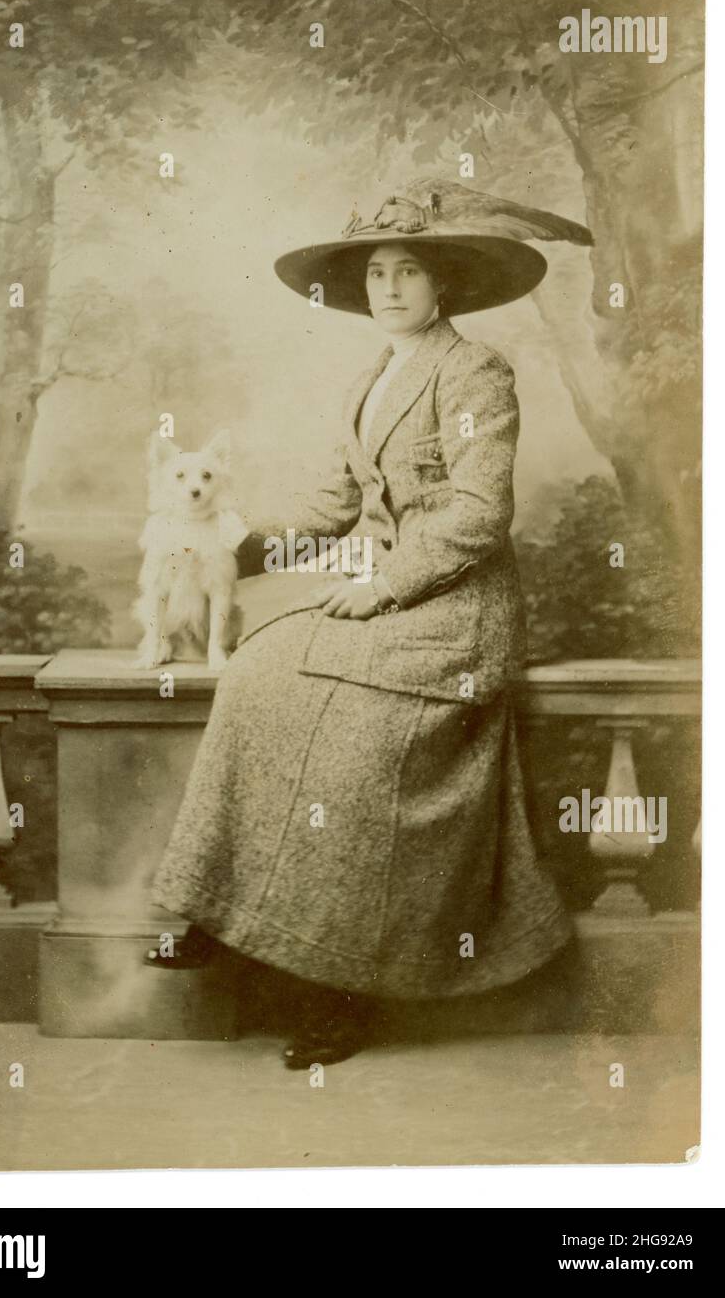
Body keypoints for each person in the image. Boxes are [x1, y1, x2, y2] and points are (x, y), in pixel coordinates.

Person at [146, 179, 589, 1069]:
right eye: (377, 273)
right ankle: (217, 913)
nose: (388, 288)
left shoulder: (473, 371)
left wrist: (385, 587)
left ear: (442, 286)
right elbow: (332, 501)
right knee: (258, 674)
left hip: (452, 607)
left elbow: (475, 514)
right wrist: (233, 549)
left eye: (408, 271)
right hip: (385, 593)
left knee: (354, 752)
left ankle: (339, 992)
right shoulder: (370, 377)